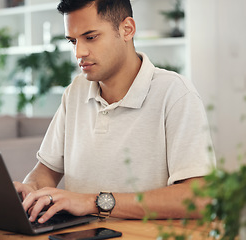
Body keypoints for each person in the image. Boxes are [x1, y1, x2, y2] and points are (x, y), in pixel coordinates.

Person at [14, 0, 216, 224]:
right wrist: (29, 190)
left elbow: (200, 198)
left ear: (126, 29)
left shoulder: (176, 93)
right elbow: (45, 172)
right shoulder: (75, 92)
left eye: (90, 37)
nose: (78, 52)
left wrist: (95, 202)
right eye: (73, 41)